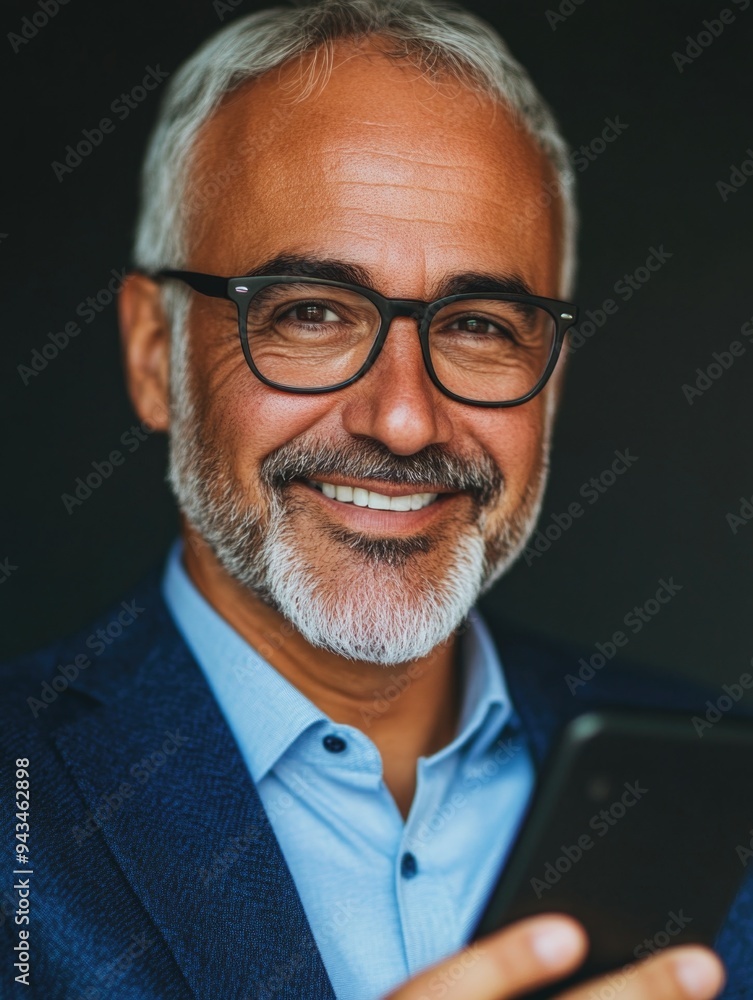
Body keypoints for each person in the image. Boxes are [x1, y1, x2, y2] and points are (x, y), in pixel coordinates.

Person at [1, 1, 750, 997]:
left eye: (480, 325)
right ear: (154, 355)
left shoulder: (721, 780)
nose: (404, 419)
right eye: (311, 312)